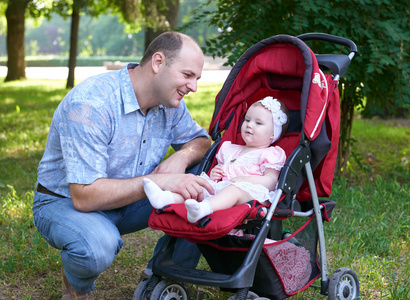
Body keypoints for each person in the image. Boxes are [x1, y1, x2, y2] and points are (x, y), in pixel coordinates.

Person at [32, 31, 214, 299]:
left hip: (129, 202)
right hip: (65, 202)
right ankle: (76, 288)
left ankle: (164, 276)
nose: (194, 87)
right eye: (187, 75)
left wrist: (183, 156)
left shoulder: (170, 103)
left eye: (197, 79)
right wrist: (161, 181)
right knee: (96, 246)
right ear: (158, 62)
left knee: (205, 181)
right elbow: (84, 196)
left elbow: (201, 141)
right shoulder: (92, 104)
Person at [143, 96, 289, 223]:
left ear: (273, 134)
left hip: (250, 194)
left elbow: (271, 181)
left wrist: (246, 180)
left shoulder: (270, 154)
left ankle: (202, 209)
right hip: (221, 188)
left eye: (258, 123)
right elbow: (221, 170)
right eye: (247, 119)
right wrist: (214, 174)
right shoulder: (231, 149)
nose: (249, 124)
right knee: (200, 186)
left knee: (233, 190)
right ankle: (166, 198)